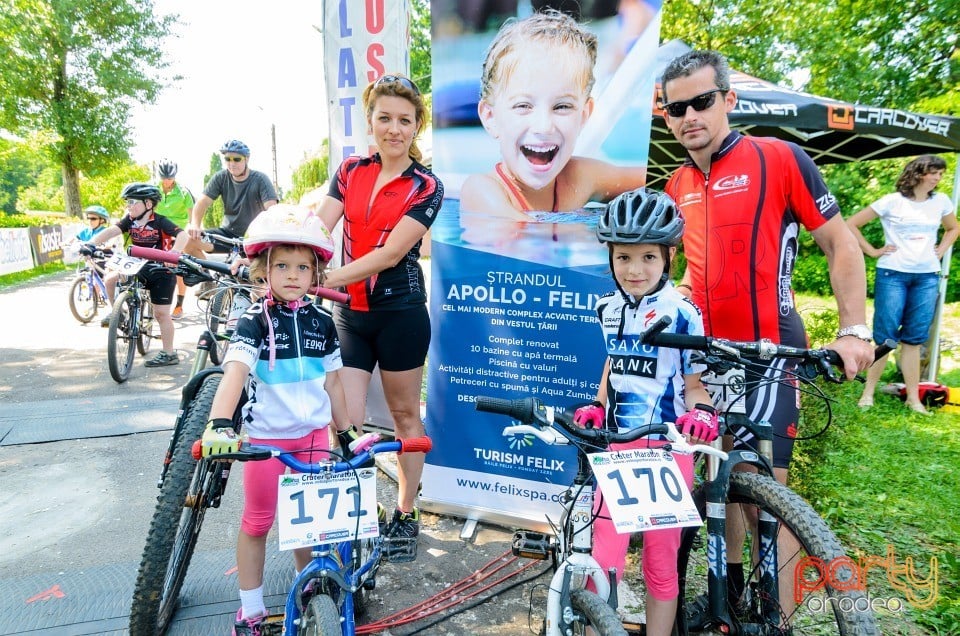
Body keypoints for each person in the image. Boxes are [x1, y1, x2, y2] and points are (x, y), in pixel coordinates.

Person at [660, 49, 874, 626]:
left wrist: (854, 330)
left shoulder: (779, 158)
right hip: (707, 356)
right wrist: (678, 297)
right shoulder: (677, 183)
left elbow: (841, 244)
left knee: (768, 496)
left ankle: (775, 616)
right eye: (676, 108)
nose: (689, 117)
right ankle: (732, 599)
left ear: (729, 100)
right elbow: (695, 268)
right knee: (721, 478)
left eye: (702, 101)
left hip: (769, 351)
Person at [199, 204, 355, 635]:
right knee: (258, 522)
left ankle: (311, 590)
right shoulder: (253, 321)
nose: (291, 275)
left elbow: (335, 385)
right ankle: (249, 610)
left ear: (315, 274)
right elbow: (235, 375)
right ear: (262, 269)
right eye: (281, 265)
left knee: (311, 524)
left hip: (313, 437)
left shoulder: (323, 322)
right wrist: (218, 425)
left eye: (302, 267)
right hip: (266, 442)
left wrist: (346, 433)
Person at [574, 187, 718, 635]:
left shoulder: (684, 313)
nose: (635, 270)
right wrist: (598, 403)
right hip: (618, 450)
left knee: (660, 562)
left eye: (648, 258)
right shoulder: (607, 308)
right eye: (624, 258)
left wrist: (703, 416)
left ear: (668, 258)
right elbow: (613, 360)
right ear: (611, 258)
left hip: (667, 452)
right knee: (603, 560)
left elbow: (695, 386)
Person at [307, 73, 443, 540]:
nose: (394, 128)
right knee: (343, 419)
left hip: (400, 315)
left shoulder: (426, 184)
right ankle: (350, 515)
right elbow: (319, 227)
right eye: (384, 118)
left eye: (405, 120)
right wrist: (289, 257)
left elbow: (389, 255)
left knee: (406, 417)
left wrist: (320, 278)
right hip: (348, 316)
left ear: (416, 126)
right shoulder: (349, 171)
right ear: (371, 121)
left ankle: (405, 512)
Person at [458, 9, 646, 218]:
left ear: (583, 116)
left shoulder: (580, 178)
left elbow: (660, 180)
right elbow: (526, 241)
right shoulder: (481, 191)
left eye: (562, 107)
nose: (544, 126)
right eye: (523, 106)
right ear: (490, 117)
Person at [847, 154, 959, 415]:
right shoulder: (892, 201)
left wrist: (940, 251)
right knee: (886, 337)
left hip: (927, 276)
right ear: (919, 173)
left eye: (941, 174)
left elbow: (953, 228)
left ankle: (913, 399)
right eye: (934, 173)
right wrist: (873, 251)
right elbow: (851, 223)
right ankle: (867, 394)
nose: (938, 178)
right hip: (893, 274)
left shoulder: (941, 201)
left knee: (914, 339)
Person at [82, 183, 189, 367]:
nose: (128, 206)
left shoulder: (160, 221)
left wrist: (175, 253)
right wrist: (91, 243)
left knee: (161, 314)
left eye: (132, 202)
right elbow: (111, 231)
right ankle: (119, 314)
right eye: (127, 202)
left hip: (160, 270)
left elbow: (183, 236)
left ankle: (169, 353)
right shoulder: (129, 221)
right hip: (136, 266)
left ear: (148, 204)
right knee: (109, 279)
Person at [186, 140, 278, 249]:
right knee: (188, 240)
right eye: (228, 159)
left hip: (254, 236)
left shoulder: (260, 179)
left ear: (247, 159)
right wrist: (195, 225)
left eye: (237, 159)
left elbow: (273, 210)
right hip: (226, 235)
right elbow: (202, 202)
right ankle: (207, 267)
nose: (232, 164)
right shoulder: (220, 178)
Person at [155, 158, 196, 318]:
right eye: (164, 178)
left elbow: (192, 217)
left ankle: (179, 305)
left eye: (170, 178)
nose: (167, 181)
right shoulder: (153, 190)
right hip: (157, 231)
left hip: (177, 232)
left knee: (177, 267)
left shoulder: (184, 192)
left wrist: (191, 231)